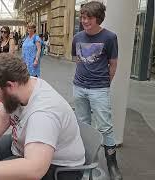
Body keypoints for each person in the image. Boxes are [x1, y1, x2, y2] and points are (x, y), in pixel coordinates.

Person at [72, 1, 122, 180]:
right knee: (83, 124)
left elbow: (113, 63)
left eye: (89, 18)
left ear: (98, 19)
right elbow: (76, 59)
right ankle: (85, 160)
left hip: (99, 88)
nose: (84, 21)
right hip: (79, 86)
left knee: (105, 127)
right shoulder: (77, 37)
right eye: (82, 17)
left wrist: (103, 83)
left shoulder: (109, 37)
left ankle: (112, 164)